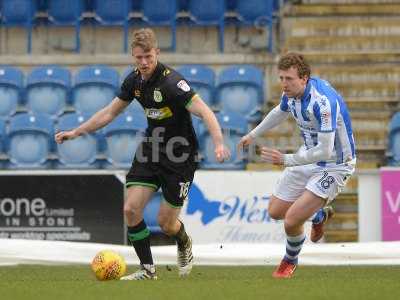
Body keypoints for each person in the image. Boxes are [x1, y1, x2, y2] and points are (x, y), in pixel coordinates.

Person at [55, 28, 230, 280]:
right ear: (133, 57)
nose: (144, 62)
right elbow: (109, 113)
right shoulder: (134, 81)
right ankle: (148, 270)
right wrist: (76, 131)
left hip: (180, 156)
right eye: (139, 58)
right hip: (152, 148)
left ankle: (183, 241)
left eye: (148, 56)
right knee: (131, 209)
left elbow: (205, 111)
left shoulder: (172, 83)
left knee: (166, 223)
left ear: (157, 53)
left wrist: (219, 143)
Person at [238, 52, 356, 278]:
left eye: (289, 79)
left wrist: (285, 160)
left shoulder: (323, 103)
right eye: (281, 78)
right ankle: (318, 215)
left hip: (335, 164)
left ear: (304, 78)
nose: (284, 84)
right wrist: (252, 135)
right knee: (275, 212)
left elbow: (324, 150)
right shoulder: (291, 94)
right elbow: (279, 112)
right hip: (307, 156)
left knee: (291, 220)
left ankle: (289, 261)